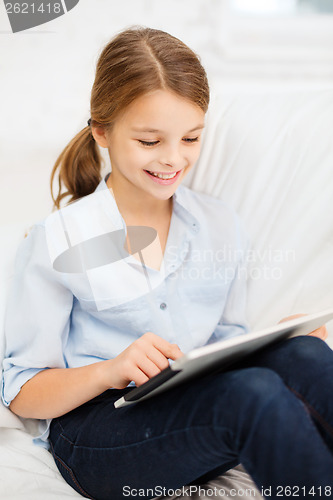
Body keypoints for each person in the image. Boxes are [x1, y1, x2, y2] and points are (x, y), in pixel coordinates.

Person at [2, 26, 333, 500]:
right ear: (102, 132)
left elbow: (226, 346)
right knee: (252, 397)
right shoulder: (57, 239)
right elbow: (22, 389)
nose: (174, 160)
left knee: (305, 355)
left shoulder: (219, 224)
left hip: (191, 404)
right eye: (150, 141)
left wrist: (275, 339)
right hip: (96, 432)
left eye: (191, 138)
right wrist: (110, 370)